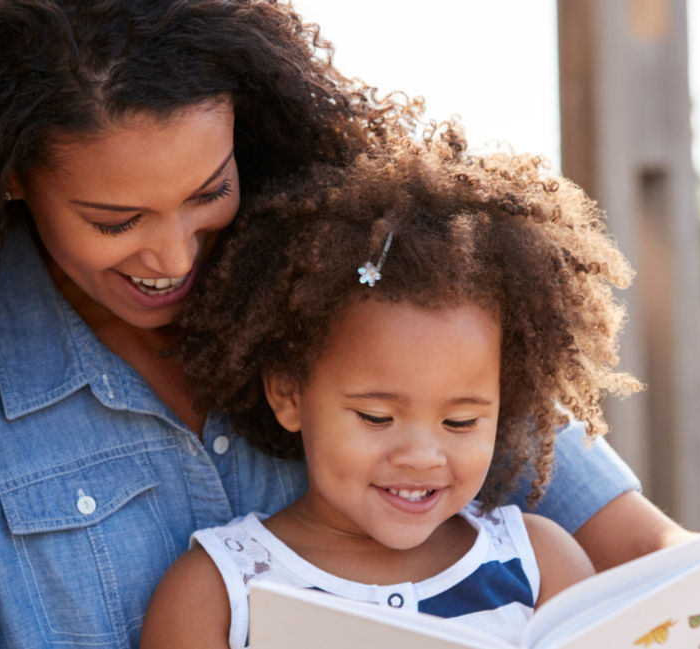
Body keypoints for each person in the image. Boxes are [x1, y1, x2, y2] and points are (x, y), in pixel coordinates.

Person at [0, 1, 700, 648]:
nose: (176, 257)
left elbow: (645, 555)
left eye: (208, 191)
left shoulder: (360, 279)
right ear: (3, 180)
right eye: (113, 218)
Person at [142, 128, 634, 648]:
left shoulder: (539, 567)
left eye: (461, 422)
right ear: (288, 393)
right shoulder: (221, 592)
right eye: (376, 418)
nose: (421, 456)